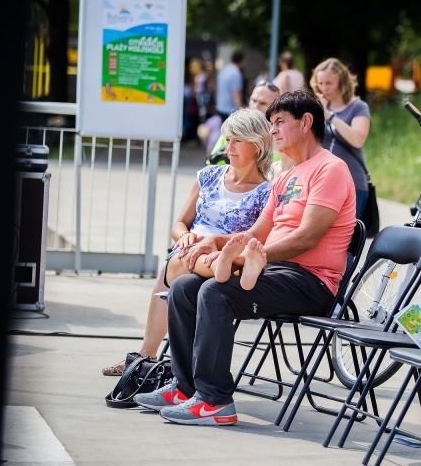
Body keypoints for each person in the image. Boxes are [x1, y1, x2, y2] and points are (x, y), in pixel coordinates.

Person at [133, 89, 357, 425]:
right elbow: (255, 233)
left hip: (310, 280)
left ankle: (215, 401)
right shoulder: (287, 176)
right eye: (271, 124)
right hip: (273, 271)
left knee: (215, 292)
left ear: (307, 122)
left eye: (279, 122)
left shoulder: (331, 169)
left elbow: (308, 236)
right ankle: (185, 387)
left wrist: (256, 255)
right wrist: (215, 243)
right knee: (185, 288)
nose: (273, 131)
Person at [101, 108, 274, 376]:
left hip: (227, 254)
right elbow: (178, 224)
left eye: (237, 140)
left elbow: (257, 236)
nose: (229, 147)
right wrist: (186, 236)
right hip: (202, 256)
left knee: (177, 273)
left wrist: (215, 244)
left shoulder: (267, 191)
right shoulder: (208, 177)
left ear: (258, 144)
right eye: (227, 140)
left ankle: (144, 356)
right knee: (184, 259)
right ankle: (220, 264)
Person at [311, 58, 372, 219]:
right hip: (321, 179)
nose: (324, 88)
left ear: (342, 82)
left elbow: (357, 139)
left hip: (352, 181)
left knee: (347, 237)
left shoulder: (358, 107)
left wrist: (329, 116)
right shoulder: (319, 106)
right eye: (321, 83)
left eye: (329, 83)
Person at [206, 80, 294, 177]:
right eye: (254, 100)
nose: (256, 106)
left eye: (263, 103)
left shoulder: (280, 136)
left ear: (276, 108)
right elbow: (210, 170)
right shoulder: (233, 129)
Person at [214, 50, 245, 120]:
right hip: (230, 109)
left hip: (220, 106)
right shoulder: (236, 73)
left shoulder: (224, 70)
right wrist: (241, 110)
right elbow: (235, 93)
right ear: (241, 61)